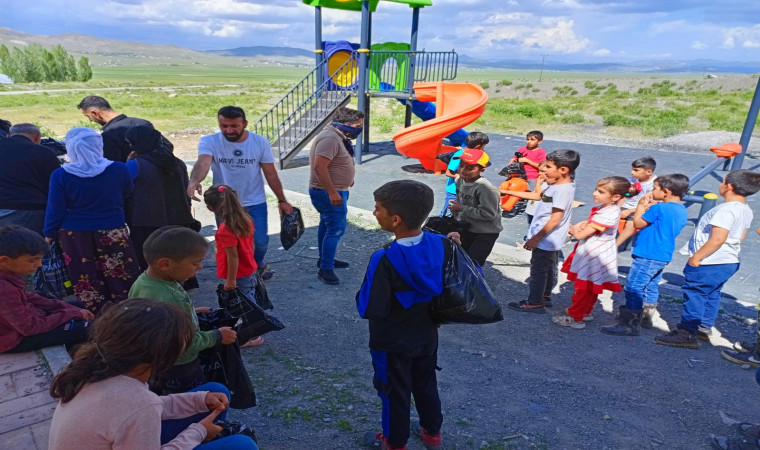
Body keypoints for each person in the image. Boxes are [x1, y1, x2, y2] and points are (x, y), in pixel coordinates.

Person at [48, 297, 258, 450]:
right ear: (163, 356)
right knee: (242, 445)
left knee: (213, 391)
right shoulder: (138, 403)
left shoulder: (96, 369)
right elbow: (142, 408)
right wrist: (198, 431)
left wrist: (199, 400)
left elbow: (146, 407)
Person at [358, 180, 451, 450]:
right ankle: (432, 432)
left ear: (395, 219)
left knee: (393, 393)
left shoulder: (384, 258)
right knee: (425, 384)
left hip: (391, 341)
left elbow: (369, 307)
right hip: (426, 333)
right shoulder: (441, 243)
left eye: (378, 209)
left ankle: (394, 442)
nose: (375, 213)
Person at [656, 170, 760, 349]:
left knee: (695, 294)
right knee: (712, 293)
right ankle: (704, 327)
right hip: (729, 260)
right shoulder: (745, 210)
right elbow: (740, 236)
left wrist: (697, 256)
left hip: (710, 261)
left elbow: (718, 238)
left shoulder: (725, 210)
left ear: (728, 186)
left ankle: (686, 332)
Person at [187, 106, 293, 281]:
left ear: (244, 123)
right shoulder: (209, 141)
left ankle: (257, 263)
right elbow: (203, 163)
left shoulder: (259, 142)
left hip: (255, 201)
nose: (228, 130)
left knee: (259, 241)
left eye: (234, 126)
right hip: (225, 203)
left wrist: (282, 199)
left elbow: (270, 173)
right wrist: (194, 180)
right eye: (224, 126)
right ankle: (237, 274)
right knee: (230, 242)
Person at [129, 226, 237, 393]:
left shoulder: (143, 281)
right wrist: (217, 336)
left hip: (156, 361)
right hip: (180, 366)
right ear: (165, 264)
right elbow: (185, 343)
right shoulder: (172, 298)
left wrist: (191, 312)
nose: (200, 267)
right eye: (195, 263)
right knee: (193, 402)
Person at [44, 127, 140, 315]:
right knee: (120, 273)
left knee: (85, 276)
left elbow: (55, 208)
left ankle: (94, 315)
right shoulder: (118, 169)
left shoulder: (61, 175)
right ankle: (127, 312)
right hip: (112, 230)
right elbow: (128, 192)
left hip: (74, 235)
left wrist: (48, 233)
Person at [601, 174, 690, 336]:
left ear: (666, 192)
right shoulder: (681, 209)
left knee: (634, 287)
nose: (651, 191)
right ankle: (646, 316)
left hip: (648, 252)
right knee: (651, 285)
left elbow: (638, 223)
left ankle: (630, 324)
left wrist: (641, 206)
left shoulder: (658, 208)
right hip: (663, 254)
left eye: (655, 188)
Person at [551, 177, 634, 329]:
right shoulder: (610, 208)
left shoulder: (606, 213)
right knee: (591, 285)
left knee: (583, 287)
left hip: (594, 254)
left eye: (601, 192)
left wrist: (573, 228)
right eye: (596, 189)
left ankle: (575, 317)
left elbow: (579, 236)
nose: (595, 193)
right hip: (599, 251)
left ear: (616, 197)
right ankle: (585, 311)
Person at [0, 225, 93, 353]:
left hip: (25, 320)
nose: (39, 264)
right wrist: (70, 314)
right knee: (87, 328)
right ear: (4, 260)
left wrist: (67, 308)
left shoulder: (8, 272)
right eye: (33, 260)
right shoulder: (3, 290)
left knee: (78, 305)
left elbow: (29, 297)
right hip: (13, 339)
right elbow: (29, 328)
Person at [508, 150, 580, 314]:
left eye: (548, 166)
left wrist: (535, 239)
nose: (544, 169)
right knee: (547, 267)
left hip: (547, 238)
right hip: (549, 238)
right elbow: (540, 197)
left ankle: (534, 303)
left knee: (539, 269)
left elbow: (555, 219)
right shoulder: (559, 185)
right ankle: (544, 296)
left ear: (563, 170)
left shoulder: (562, 190)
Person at [124, 125, 199, 271]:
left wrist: (127, 163)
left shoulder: (135, 165)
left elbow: (124, 188)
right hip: (178, 221)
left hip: (146, 224)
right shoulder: (177, 163)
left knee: (153, 263)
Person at [309, 107, 364, 285]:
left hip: (335, 189)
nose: (359, 128)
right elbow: (319, 167)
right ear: (346, 124)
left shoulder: (336, 136)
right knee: (335, 229)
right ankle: (326, 269)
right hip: (328, 192)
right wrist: (332, 191)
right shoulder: (330, 138)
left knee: (326, 226)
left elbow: (334, 163)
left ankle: (325, 259)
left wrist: (347, 179)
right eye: (357, 125)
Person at [204, 185, 263, 348]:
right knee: (249, 298)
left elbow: (233, 256)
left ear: (210, 208)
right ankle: (251, 328)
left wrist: (230, 280)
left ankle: (252, 335)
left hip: (237, 274)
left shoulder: (225, 230)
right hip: (248, 269)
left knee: (244, 305)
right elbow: (251, 246)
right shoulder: (245, 220)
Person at [0, 123, 61, 235]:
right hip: (30, 211)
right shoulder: (43, 152)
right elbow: (54, 186)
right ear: (37, 137)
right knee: (29, 249)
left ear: (9, 135)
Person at [447, 148, 503, 266]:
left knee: (473, 263)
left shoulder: (486, 188)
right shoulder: (459, 180)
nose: (463, 170)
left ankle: (475, 283)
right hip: (468, 227)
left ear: (481, 170)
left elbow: (488, 214)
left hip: (485, 232)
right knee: (461, 258)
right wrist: (456, 214)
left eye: (470, 168)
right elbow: (460, 200)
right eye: (461, 165)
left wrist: (462, 208)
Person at [77, 95, 153, 162]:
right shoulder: (144, 123)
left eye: (88, 116)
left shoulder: (109, 134)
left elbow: (114, 166)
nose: (90, 120)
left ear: (95, 113)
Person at [439, 132, 489, 217]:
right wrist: (465, 177)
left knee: (460, 212)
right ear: (478, 147)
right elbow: (448, 173)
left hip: (465, 190)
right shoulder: (460, 155)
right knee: (448, 212)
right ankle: (440, 227)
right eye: (483, 146)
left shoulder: (473, 156)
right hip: (454, 190)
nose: (484, 149)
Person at [616, 157, 657, 249]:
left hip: (640, 209)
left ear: (648, 172)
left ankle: (615, 247)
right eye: (632, 169)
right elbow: (625, 195)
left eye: (636, 170)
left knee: (631, 224)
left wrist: (629, 211)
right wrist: (617, 207)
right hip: (626, 206)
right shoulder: (632, 180)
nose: (632, 172)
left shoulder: (654, 184)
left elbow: (650, 203)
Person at [510, 130, 547, 223]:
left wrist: (527, 161)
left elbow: (541, 165)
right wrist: (513, 160)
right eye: (527, 139)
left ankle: (529, 209)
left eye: (532, 140)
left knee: (530, 192)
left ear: (540, 141)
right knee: (518, 190)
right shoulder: (522, 149)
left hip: (532, 176)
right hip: (520, 174)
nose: (529, 142)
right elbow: (515, 158)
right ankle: (517, 206)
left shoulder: (541, 152)